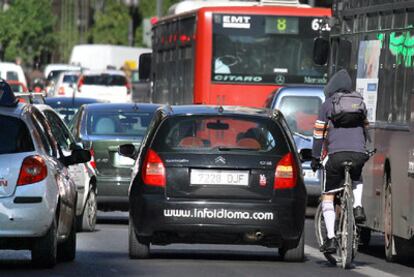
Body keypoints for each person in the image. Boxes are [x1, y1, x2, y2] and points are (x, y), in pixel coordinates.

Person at [311, 69, 369, 254]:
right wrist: (365, 149)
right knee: (357, 176)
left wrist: (314, 157)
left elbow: (318, 133)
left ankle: (330, 239)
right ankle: (358, 206)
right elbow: (366, 129)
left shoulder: (328, 105)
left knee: (328, 195)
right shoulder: (360, 102)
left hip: (336, 156)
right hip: (358, 153)